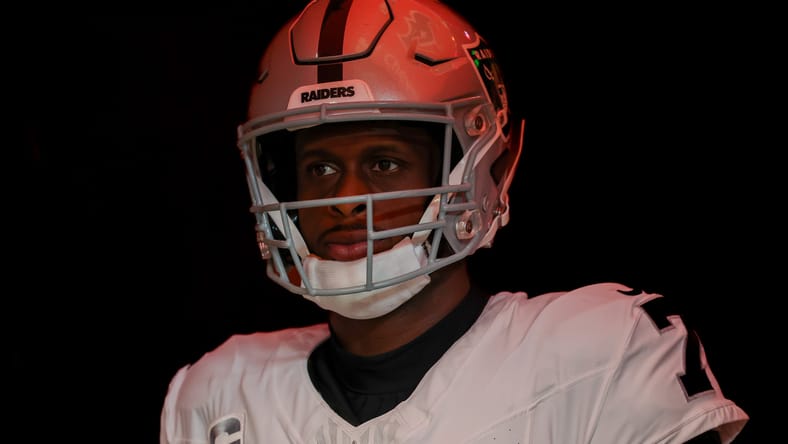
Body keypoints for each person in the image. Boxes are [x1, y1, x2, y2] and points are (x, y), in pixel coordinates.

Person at [159, 0, 749, 442]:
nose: (344, 199)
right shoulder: (217, 395)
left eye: (384, 162)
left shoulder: (602, 354)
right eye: (319, 168)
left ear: (479, 168)